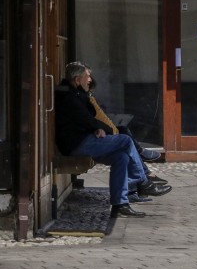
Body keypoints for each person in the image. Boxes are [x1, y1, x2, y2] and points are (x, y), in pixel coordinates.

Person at [55, 62, 171, 218]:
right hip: (77, 144)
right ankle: (143, 182)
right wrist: (107, 130)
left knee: (121, 157)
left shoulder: (76, 93)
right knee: (125, 141)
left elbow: (86, 119)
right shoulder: (69, 97)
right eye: (87, 77)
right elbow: (86, 120)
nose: (90, 80)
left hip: (83, 139)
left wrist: (98, 128)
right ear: (77, 80)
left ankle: (120, 204)